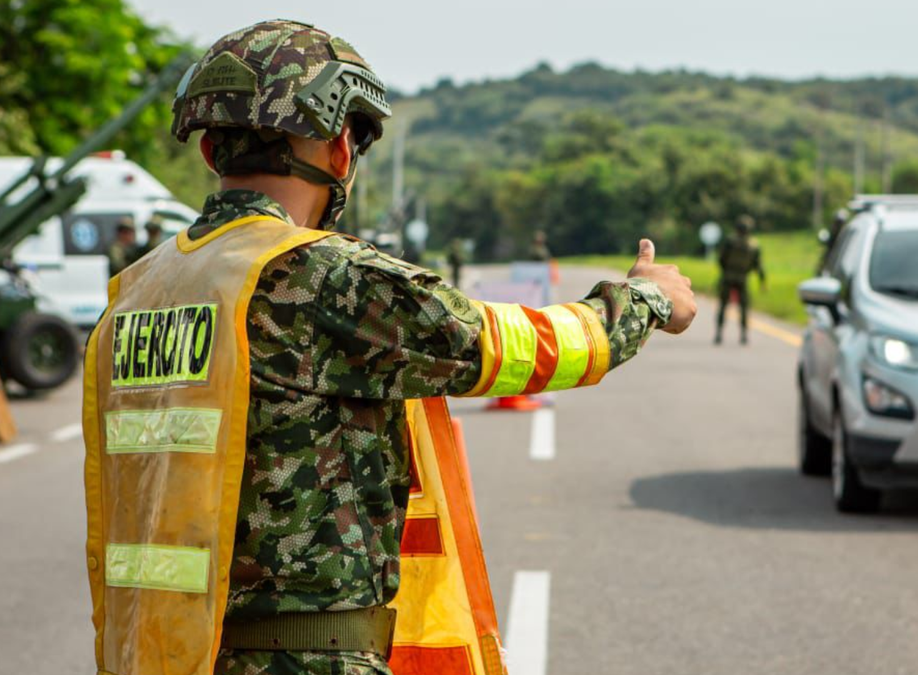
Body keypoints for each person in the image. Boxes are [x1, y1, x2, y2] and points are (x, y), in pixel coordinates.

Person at [81, 20, 696, 675]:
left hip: (164, 653)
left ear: (209, 153)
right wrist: (648, 298)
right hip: (307, 659)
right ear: (342, 149)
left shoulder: (135, 292)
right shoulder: (322, 277)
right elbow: (517, 347)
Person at [715, 214, 766, 345]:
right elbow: (758, 266)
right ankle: (743, 335)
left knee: (723, 306)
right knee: (744, 308)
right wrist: (762, 282)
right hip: (742, 278)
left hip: (728, 276)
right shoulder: (754, 245)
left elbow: (721, 259)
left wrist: (725, 272)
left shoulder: (730, 241)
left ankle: (719, 334)